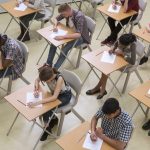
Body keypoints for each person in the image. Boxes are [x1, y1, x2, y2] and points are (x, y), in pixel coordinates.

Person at [27, 66, 72, 141]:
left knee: (46, 108)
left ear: (51, 78)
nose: (45, 82)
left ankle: (46, 128)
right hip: (55, 94)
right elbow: (37, 80)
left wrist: (37, 102)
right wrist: (36, 87)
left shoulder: (59, 79)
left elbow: (54, 97)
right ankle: (53, 120)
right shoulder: (46, 72)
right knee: (46, 106)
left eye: (46, 81)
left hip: (64, 96)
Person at [86, 33, 136, 99]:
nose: (120, 45)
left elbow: (133, 61)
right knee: (106, 69)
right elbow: (116, 43)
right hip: (118, 57)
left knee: (106, 69)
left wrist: (123, 54)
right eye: (120, 43)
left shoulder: (133, 45)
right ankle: (101, 90)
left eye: (121, 45)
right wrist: (112, 48)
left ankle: (98, 88)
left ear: (127, 45)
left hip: (127, 62)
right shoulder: (122, 38)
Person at [45, 3, 90, 70]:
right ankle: (48, 64)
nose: (62, 16)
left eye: (63, 14)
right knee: (53, 43)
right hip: (70, 33)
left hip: (80, 38)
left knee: (64, 50)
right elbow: (55, 19)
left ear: (69, 10)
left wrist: (63, 36)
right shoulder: (66, 13)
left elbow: (78, 34)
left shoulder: (79, 16)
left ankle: (55, 69)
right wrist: (55, 26)